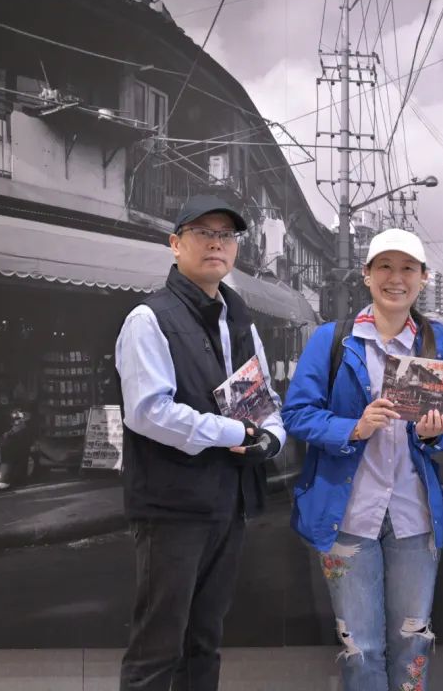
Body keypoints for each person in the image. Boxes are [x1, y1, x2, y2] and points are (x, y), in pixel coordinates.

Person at [115, 194, 286, 691]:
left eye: (226, 235)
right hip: (172, 508)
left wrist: (272, 438)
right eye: (203, 233)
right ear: (175, 244)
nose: (216, 243)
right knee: (157, 649)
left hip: (229, 503)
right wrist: (235, 432)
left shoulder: (240, 319)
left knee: (205, 642)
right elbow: (148, 412)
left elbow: (264, 399)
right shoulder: (149, 318)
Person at [283, 228, 443, 690]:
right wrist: (352, 428)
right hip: (349, 515)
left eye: (407, 269)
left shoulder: (435, 342)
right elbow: (296, 414)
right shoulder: (333, 340)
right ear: (366, 274)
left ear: (423, 277)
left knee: (413, 644)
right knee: (360, 648)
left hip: (415, 517)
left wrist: (434, 433)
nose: (396, 278)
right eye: (385, 267)